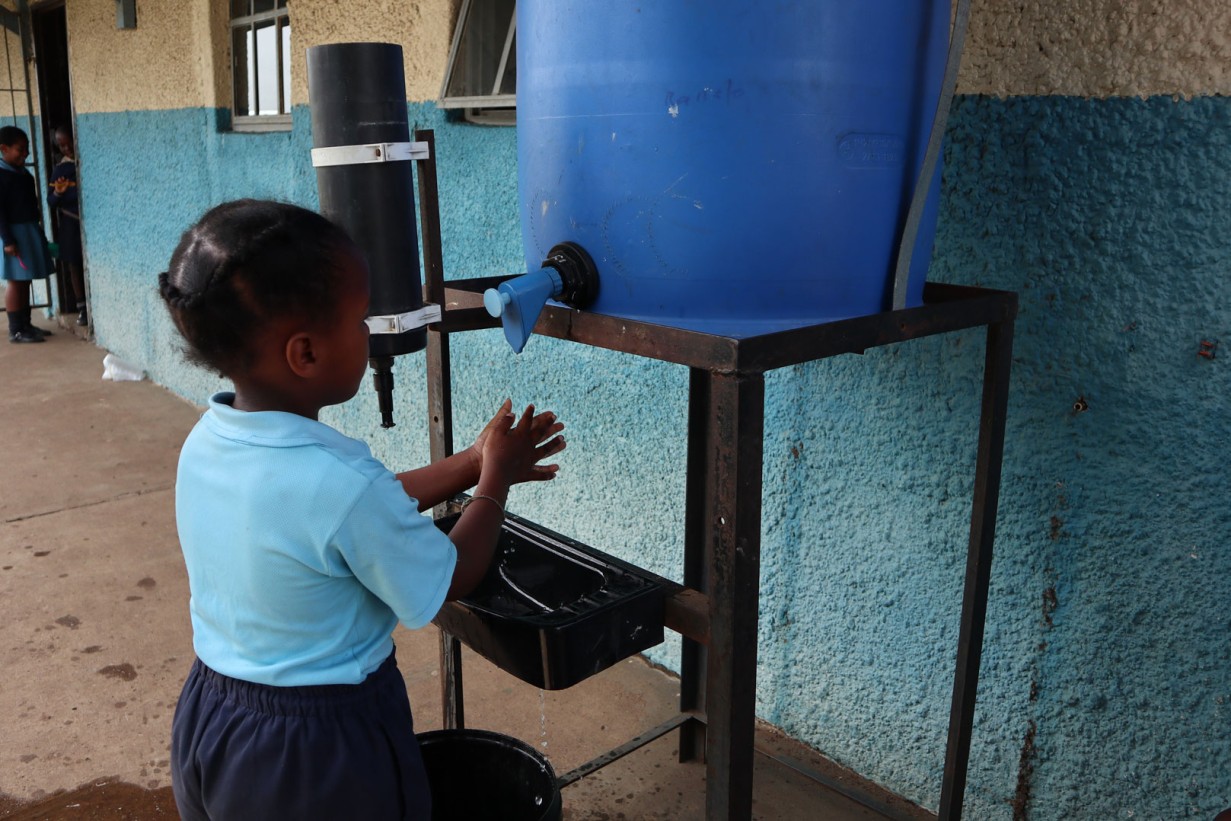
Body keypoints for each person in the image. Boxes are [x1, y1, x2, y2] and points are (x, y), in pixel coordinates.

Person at [159, 199, 567, 820]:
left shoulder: (211, 440)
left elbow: (340, 517)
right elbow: (450, 574)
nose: (368, 332)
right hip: (317, 751)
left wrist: (470, 460)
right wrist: (494, 485)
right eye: (358, 322)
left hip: (216, 719)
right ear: (306, 354)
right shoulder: (340, 483)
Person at [0, 125, 53, 343]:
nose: (25, 154)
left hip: (28, 229)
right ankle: (16, 330)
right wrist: (8, 241)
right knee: (16, 281)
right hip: (12, 234)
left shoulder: (23, 174)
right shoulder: (2, 176)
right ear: (3, 149)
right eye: (20, 150)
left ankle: (26, 324)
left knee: (26, 280)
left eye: (27, 149)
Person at [48, 125, 85, 326]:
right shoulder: (60, 170)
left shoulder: (85, 164)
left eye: (69, 143)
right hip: (70, 224)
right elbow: (51, 202)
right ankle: (82, 308)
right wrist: (59, 193)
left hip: (86, 224)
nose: (67, 148)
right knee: (74, 265)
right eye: (62, 146)